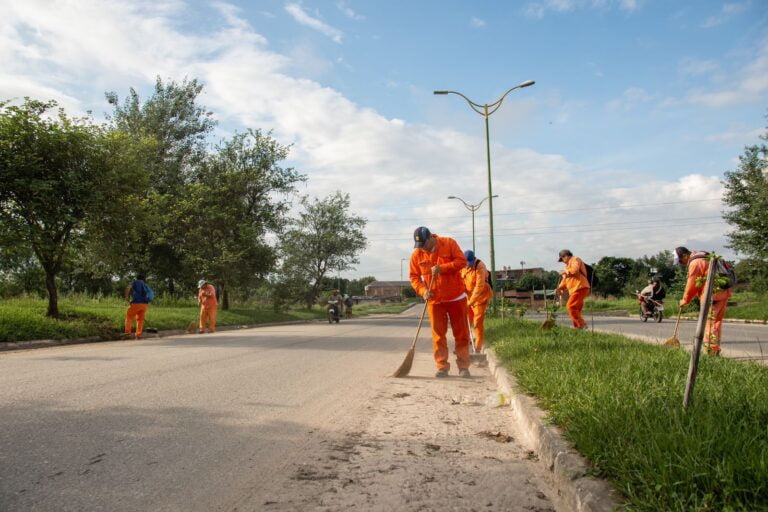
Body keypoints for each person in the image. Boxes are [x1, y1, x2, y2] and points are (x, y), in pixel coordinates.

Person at [409, 226, 472, 378]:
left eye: (424, 244)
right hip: (435, 301)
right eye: (420, 246)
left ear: (431, 238)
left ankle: (463, 367)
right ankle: (442, 366)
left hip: (456, 297)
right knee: (438, 335)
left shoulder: (449, 243)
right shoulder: (417, 255)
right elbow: (414, 277)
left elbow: (461, 262)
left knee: (462, 334)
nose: (422, 248)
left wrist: (442, 268)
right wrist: (424, 291)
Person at [675, 247, 733, 356]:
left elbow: (692, 285)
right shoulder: (705, 255)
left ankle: (711, 353)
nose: (681, 264)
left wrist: (684, 301)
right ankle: (715, 350)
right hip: (723, 293)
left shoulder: (695, 263)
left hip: (712, 297)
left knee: (710, 325)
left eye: (680, 261)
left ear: (685, 255)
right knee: (716, 324)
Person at [460, 250, 493, 352]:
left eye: (469, 263)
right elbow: (461, 281)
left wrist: (470, 303)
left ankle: (478, 348)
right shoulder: (463, 267)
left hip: (480, 297)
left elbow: (479, 287)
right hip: (469, 297)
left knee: (477, 322)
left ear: (473, 259)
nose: (468, 266)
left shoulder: (480, 266)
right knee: (466, 321)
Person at [555, 249, 590, 329]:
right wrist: (559, 288)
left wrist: (564, 272)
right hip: (576, 289)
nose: (563, 261)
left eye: (562, 259)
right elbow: (565, 281)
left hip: (580, 287)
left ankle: (582, 324)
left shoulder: (575, 259)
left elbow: (575, 270)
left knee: (570, 306)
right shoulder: (567, 266)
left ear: (566, 256)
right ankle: (578, 328)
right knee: (576, 310)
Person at [124, 273, 153, 339]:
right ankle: (138, 334)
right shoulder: (145, 285)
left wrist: (126, 298)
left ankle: (127, 333)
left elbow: (128, 288)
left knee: (129, 317)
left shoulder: (135, 282)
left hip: (136, 303)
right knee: (140, 320)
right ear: (144, 279)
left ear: (137, 278)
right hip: (144, 305)